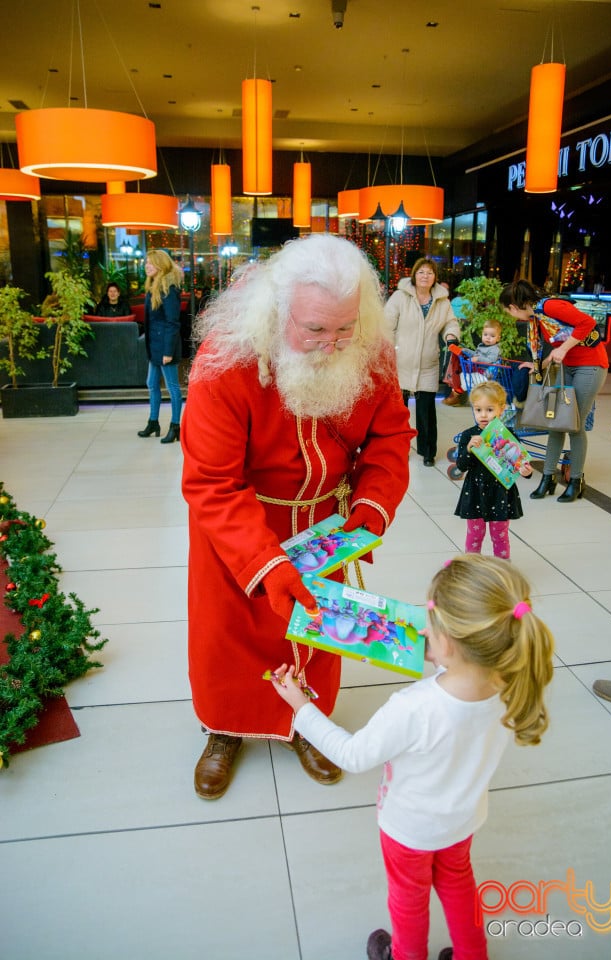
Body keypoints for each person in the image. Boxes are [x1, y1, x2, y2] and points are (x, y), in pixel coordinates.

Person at [181, 233, 414, 800]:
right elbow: (211, 480)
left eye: (343, 328)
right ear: (276, 310)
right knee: (229, 635)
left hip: (324, 525)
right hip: (238, 526)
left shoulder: (369, 351)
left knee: (314, 634)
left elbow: (390, 438)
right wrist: (263, 561)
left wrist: (370, 507)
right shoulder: (225, 359)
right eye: (314, 330)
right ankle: (224, 728)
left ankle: (304, 724)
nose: (332, 344)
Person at [268, 553, 555, 960]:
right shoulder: (509, 682)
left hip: (409, 831)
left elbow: (352, 755)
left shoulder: (413, 708)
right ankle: (474, 954)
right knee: (458, 884)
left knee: (409, 901)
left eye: (430, 623)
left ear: (451, 644)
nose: (422, 628)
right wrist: (433, 654)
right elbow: (457, 676)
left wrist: (301, 706)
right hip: (462, 819)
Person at [499, 280, 609, 502]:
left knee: (575, 425)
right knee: (555, 423)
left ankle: (576, 481)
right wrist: (539, 365)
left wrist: (563, 349)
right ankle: (548, 478)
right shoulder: (538, 318)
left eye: (508, 311)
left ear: (513, 306)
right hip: (568, 365)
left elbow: (586, 323)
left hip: (591, 365)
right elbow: (556, 348)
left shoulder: (549, 307)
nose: (511, 316)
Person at [384, 258, 460, 466]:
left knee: (426, 411)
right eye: (421, 272)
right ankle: (398, 449)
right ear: (414, 275)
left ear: (435, 278)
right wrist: (387, 352)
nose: (425, 276)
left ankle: (428, 452)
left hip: (428, 363)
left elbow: (451, 323)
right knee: (398, 412)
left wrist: (451, 336)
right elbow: (387, 326)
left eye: (429, 272)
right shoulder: (400, 297)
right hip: (400, 362)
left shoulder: (442, 302)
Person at [454, 381, 532, 559]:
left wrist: (525, 471)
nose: (483, 415)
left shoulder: (507, 435)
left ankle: (502, 568)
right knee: (474, 534)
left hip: (500, 493)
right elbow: (461, 466)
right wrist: (468, 449)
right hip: (475, 491)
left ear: (501, 409)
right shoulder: (468, 435)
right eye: (478, 410)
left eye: (489, 410)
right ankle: (472, 566)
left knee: (500, 535)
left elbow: (520, 464)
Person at [137, 249, 184, 444]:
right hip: (154, 345)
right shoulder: (153, 286)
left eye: (151, 262)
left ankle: (175, 426)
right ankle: (153, 422)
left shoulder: (169, 288)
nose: (147, 265)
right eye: (146, 262)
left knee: (173, 387)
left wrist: (167, 351)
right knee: (151, 383)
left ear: (161, 265)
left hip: (165, 346)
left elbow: (173, 322)